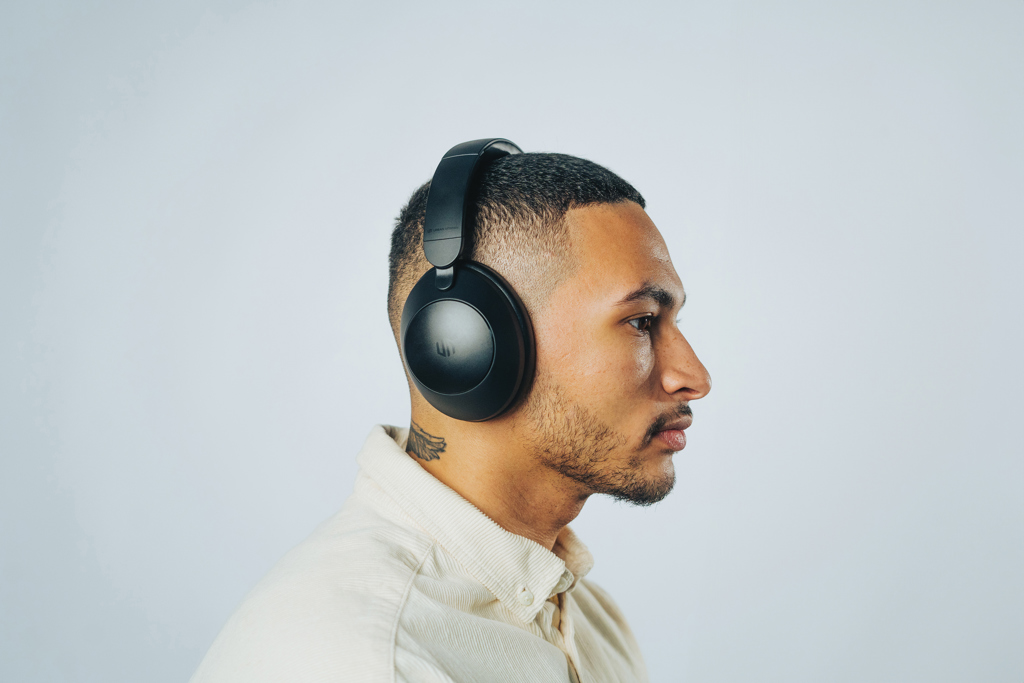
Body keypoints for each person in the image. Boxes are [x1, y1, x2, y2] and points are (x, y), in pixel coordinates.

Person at [190, 141, 711, 682]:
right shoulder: (370, 661)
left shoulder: (590, 619)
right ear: (469, 345)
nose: (695, 377)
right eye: (642, 322)